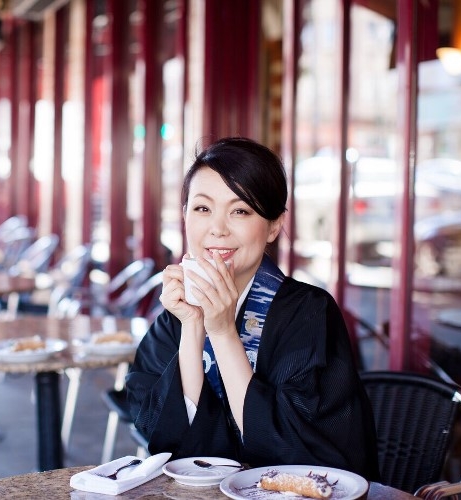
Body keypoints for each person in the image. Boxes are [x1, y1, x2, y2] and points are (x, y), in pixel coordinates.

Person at [125, 137, 380, 480]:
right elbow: (164, 439)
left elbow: (298, 452)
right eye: (202, 208)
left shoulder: (309, 313)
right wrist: (193, 325)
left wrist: (222, 331)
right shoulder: (176, 312)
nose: (217, 228)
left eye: (240, 211)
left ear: (274, 225)